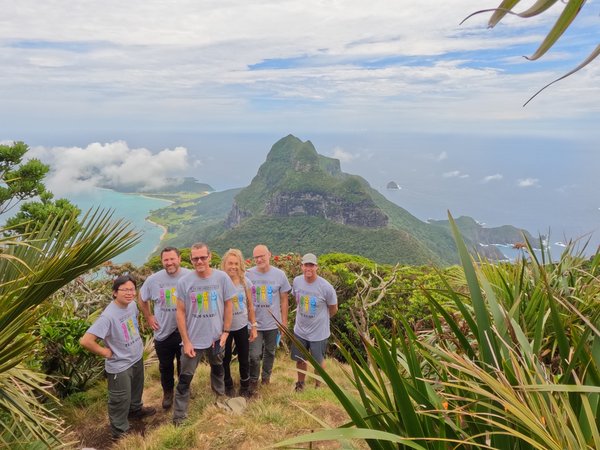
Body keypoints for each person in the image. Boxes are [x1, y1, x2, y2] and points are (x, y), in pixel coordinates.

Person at [80, 274, 156, 441]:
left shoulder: (132, 306)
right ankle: (120, 431)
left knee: (136, 389)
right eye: (124, 290)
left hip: (136, 357)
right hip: (120, 365)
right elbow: (86, 341)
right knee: (119, 399)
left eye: (132, 289)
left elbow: (134, 322)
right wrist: (105, 352)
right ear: (115, 293)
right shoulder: (108, 316)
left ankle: (135, 410)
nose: (129, 293)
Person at [172, 242, 237, 425]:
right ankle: (179, 416)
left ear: (209, 257)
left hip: (216, 338)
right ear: (191, 260)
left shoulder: (222, 278)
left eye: (203, 257)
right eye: (195, 258)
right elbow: (180, 312)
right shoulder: (185, 282)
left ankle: (220, 399)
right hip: (193, 340)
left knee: (218, 369)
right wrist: (186, 341)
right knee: (185, 377)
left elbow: (228, 305)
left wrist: (225, 332)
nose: (199, 261)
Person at [139, 247, 192, 409]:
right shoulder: (153, 279)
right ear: (162, 261)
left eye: (172, 259)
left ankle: (183, 391)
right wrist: (149, 316)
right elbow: (142, 298)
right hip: (163, 332)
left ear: (179, 259)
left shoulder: (190, 276)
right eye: (165, 260)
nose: (169, 263)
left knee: (185, 365)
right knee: (165, 366)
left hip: (186, 332)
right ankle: (168, 392)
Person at [291, 253, 338, 392]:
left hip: (318, 333)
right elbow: (296, 299)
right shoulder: (297, 281)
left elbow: (334, 308)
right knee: (300, 359)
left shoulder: (326, 287)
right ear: (302, 266)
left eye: (311, 265)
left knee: (318, 361)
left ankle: (318, 385)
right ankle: (300, 384)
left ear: (316, 267)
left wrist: (322, 319)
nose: (308, 268)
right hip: (300, 330)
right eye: (306, 265)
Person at [247, 244, 291, 391]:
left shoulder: (280, 275)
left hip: (273, 323)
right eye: (256, 257)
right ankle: (253, 380)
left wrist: (284, 322)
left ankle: (266, 379)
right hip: (254, 324)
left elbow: (284, 299)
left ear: (269, 255)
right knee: (254, 355)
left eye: (262, 256)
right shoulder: (248, 274)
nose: (259, 259)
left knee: (270, 352)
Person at [220, 248, 258, 397]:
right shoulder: (220, 281)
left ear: (240, 264)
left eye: (236, 263)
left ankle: (245, 385)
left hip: (242, 325)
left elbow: (250, 305)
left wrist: (253, 326)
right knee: (226, 357)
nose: (233, 267)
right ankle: (227, 384)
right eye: (230, 263)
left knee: (243, 357)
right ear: (225, 264)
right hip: (225, 328)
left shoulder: (245, 281)